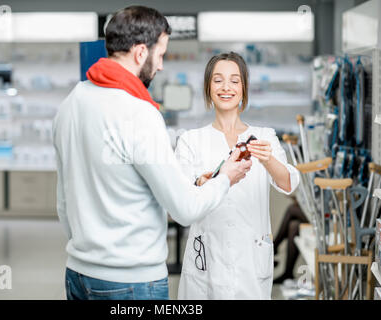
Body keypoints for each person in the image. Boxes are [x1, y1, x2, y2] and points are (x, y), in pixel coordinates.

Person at [52, 7, 252, 300]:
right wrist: (226, 179)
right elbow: (184, 210)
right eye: (160, 55)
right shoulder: (139, 113)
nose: (160, 66)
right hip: (132, 282)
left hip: (78, 275)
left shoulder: (70, 103)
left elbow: (63, 202)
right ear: (140, 52)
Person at [176, 52, 300, 300]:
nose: (226, 87)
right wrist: (206, 182)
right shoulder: (191, 140)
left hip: (250, 261)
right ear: (208, 87)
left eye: (234, 80)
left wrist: (267, 160)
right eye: (218, 80)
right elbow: (181, 199)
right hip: (206, 260)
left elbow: (288, 183)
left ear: (244, 88)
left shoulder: (264, 136)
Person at [272, 201, 308, 284]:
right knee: (294, 226)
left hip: (325, 217)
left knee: (292, 209)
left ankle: (273, 248)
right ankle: (288, 273)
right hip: (315, 211)